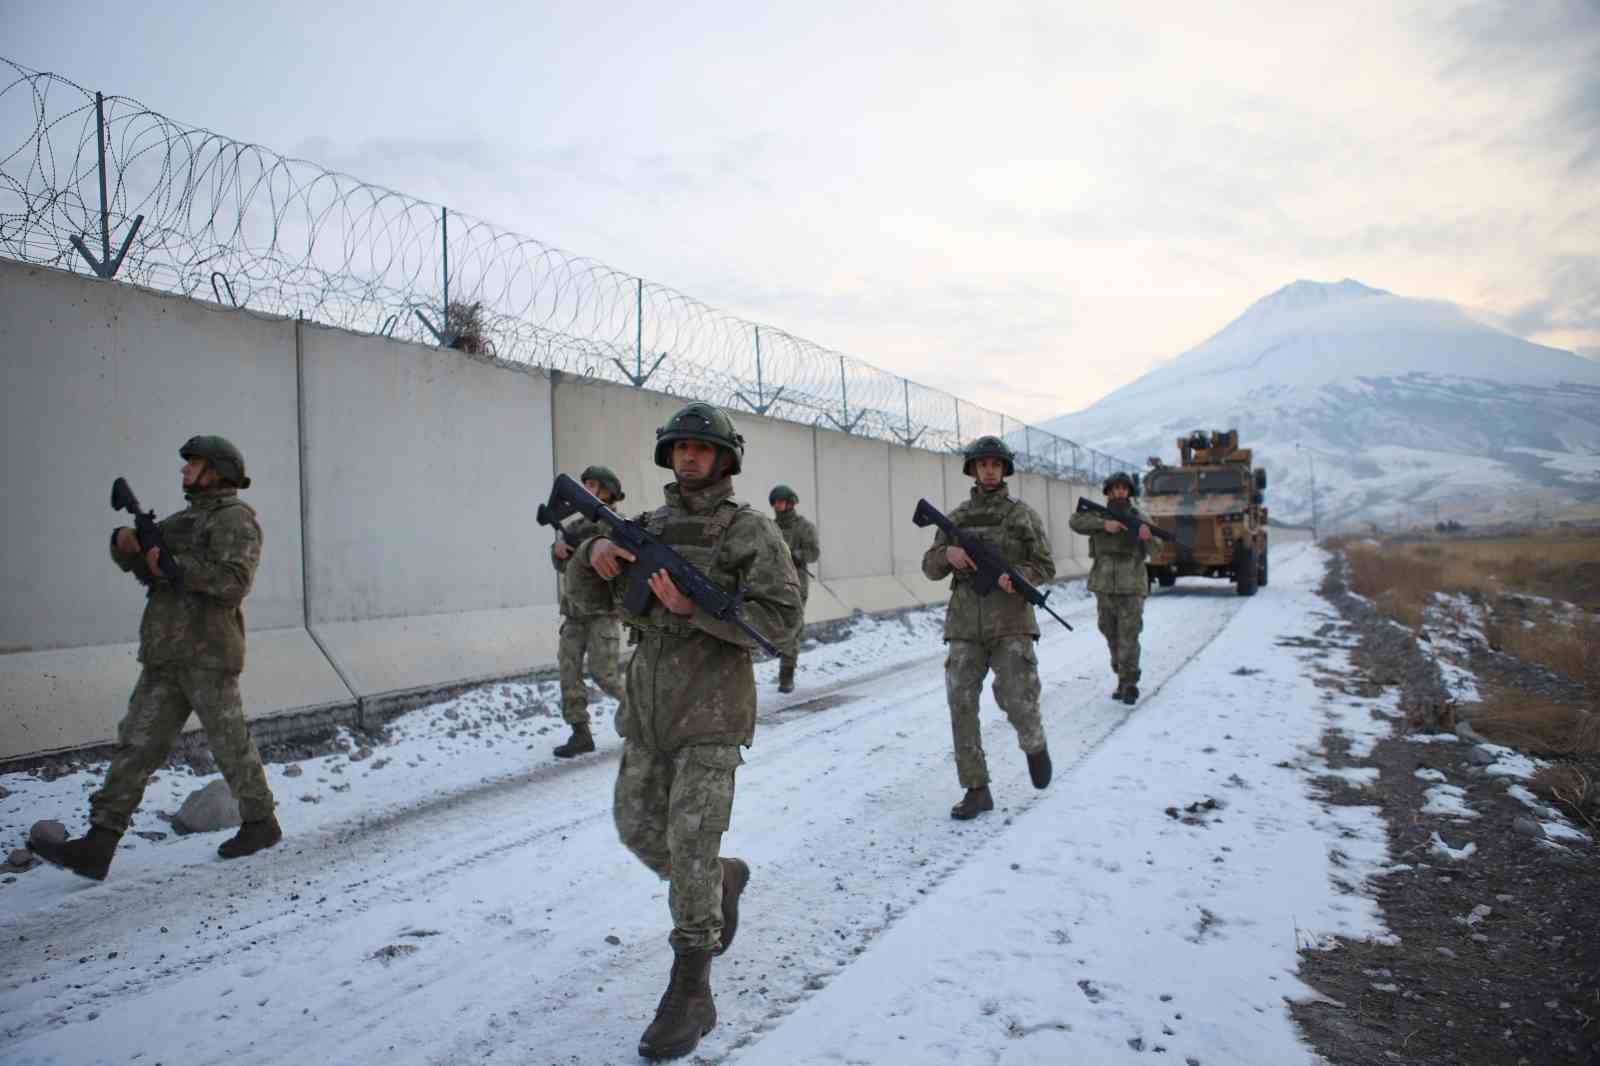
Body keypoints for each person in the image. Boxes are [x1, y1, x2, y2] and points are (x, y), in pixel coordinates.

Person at [567, 402, 802, 1060]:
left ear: (725, 459)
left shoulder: (749, 531)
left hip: (712, 714)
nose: (691, 457)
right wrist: (596, 550)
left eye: (704, 448)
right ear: (668, 456)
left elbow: (779, 622)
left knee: (690, 848)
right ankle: (721, 881)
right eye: (681, 448)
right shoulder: (644, 528)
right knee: (639, 830)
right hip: (648, 714)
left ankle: (691, 990)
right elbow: (584, 601)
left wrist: (694, 607)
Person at [29, 436, 280, 880]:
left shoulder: (235, 520)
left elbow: (234, 580)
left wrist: (175, 566)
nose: (184, 471)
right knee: (136, 744)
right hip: (166, 653)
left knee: (228, 743)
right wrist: (125, 546)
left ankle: (261, 822)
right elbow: (152, 567)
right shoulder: (185, 518)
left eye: (194, 464)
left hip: (207, 653)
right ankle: (99, 843)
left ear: (216, 471)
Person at [920, 435, 1055, 821]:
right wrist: (948, 553)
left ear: (1004, 469)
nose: (989, 470)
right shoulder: (957, 518)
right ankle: (976, 788)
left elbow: (1045, 566)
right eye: (983, 464)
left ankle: (1033, 741)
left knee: (1017, 697)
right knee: (961, 703)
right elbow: (930, 568)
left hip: (1011, 621)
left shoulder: (1022, 515)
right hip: (964, 623)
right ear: (973, 470)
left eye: (996, 464)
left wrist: (1020, 577)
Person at [549, 465, 628, 757]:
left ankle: (642, 718)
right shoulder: (575, 526)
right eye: (585, 485)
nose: (588, 489)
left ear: (608, 490)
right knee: (568, 672)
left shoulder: (617, 525)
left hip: (602, 613)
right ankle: (580, 733)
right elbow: (563, 567)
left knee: (604, 674)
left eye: (594, 485)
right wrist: (557, 552)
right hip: (574, 613)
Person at [1069, 471, 1153, 705]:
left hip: (1132, 585)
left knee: (1129, 634)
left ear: (1129, 492)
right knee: (1109, 631)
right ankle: (1121, 674)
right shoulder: (1097, 515)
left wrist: (1147, 537)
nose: (1119, 492)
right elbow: (1075, 521)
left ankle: (1130, 682)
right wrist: (1104, 525)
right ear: (1108, 492)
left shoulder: (1140, 517)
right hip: (1104, 585)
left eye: (1124, 489)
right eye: (1115, 488)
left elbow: (1158, 549)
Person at [766, 484, 820, 693]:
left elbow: (814, 553)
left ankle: (786, 676)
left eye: (781, 501)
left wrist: (795, 555)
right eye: (775, 502)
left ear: (790, 502)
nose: (778, 506)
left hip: (796, 585)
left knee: (792, 629)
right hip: (772, 584)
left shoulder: (804, 527)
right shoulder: (769, 527)